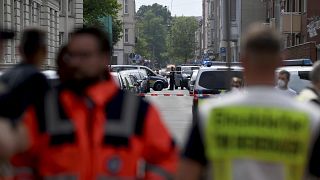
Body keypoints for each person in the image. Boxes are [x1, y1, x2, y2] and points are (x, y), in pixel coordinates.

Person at [11, 27, 178, 179]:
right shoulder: (44, 108)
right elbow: (19, 162)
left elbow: (168, 159)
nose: (75, 62)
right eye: (72, 55)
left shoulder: (135, 110)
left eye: (84, 56)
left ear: (103, 58)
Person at [177, 24, 320, 180]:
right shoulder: (310, 118)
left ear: (243, 61)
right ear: (280, 62)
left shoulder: (210, 115)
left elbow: (186, 174)